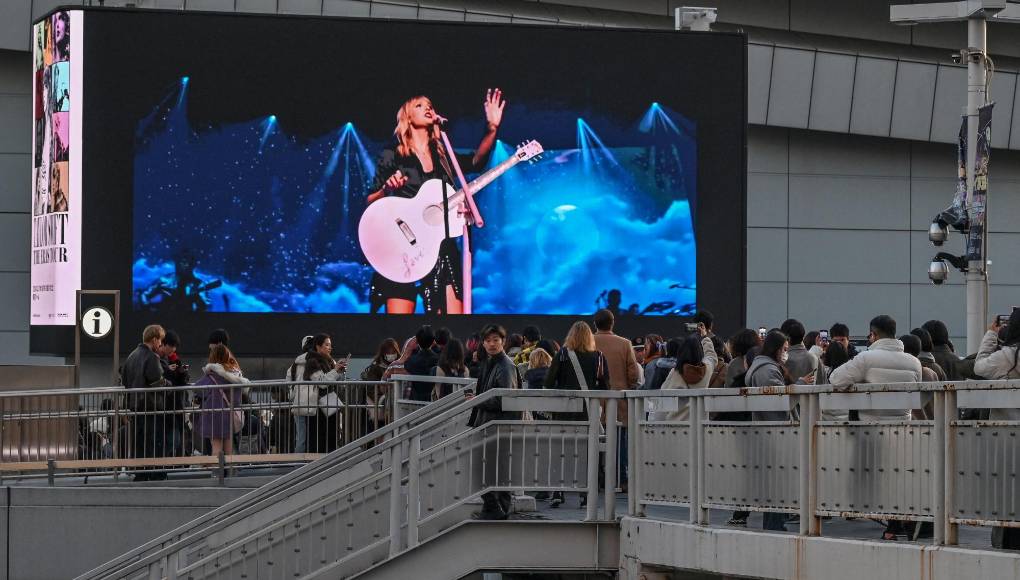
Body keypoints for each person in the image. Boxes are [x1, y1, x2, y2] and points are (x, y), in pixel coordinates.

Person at [366, 90, 504, 314]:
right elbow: (371, 199)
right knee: (399, 325)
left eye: (430, 105)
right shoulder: (392, 154)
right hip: (403, 245)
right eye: (419, 105)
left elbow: (476, 161)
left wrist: (492, 128)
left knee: (451, 325)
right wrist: (387, 188)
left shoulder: (443, 155)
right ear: (408, 116)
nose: (428, 108)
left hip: (441, 247)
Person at [745, 330, 816, 531]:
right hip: (776, 431)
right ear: (776, 349)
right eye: (784, 349)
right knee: (777, 482)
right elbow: (779, 399)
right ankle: (775, 524)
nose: (786, 353)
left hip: (768, 430)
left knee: (774, 481)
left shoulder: (760, 366)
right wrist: (800, 384)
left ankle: (775, 523)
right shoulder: (767, 370)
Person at [545, 321, 609, 507]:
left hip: (563, 412)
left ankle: (558, 492)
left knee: (560, 451)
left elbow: (548, 383)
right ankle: (586, 494)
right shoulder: (598, 357)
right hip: (587, 412)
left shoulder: (563, 355)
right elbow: (606, 386)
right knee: (587, 453)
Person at [973, 309, 1020, 549]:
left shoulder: (1008, 356)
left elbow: (979, 367)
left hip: (1007, 435)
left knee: (1008, 491)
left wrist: (991, 335)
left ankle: (1007, 540)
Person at [469, 324, 522, 520]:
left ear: (503, 342)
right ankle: (498, 508)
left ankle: (495, 508)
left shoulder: (505, 366)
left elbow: (504, 400)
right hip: (493, 424)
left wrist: (477, 401)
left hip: (497, 424)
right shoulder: (493, 362)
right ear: (483, 343)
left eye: (496, 340)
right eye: (488, 340)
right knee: (496, 468)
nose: (492, 344)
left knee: (487, 468)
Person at [829, 315, 922, 423]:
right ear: (894, 333)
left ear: (873, 335)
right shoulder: (915, 362)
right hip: (903, 426)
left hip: (869, 426)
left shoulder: (865, 358)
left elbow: (836, 379)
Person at [593, 309, 639, 489]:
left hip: (594, 402)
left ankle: (595, 478)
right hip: (619, 401)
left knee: (593, 441)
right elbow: (633, 374)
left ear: (595, 324)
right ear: (612, 323)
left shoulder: (587, 342)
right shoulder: (625, 344)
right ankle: (620, 479)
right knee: (619, 443)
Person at [121, 324, 171, 481]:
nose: (161, 344)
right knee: (155, 443)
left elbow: (125, 381)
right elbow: (158, 382)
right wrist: (169, 385)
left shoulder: (131, 356)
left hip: (135, 408)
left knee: (140, 443)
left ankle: (141, 473)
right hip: (151, 407)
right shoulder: (151, 357)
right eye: (160, 340)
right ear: (154, 339)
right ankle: (156, 474)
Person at [193, 344, 249, 459]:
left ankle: (217, 470)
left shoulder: (212, 375)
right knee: (229, 448)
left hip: (213, 416)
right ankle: (229, 469)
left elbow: (198, 389)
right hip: (229, 415)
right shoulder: (235, 375)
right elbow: (238, 398)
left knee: (216, 448)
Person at [657, 331, 717, 421]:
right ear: (700, 352)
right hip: (699, 426)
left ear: (681, 352)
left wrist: (656, 424)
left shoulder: (676, 373)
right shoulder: (707, 370)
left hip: (675, 426)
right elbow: (711, 357)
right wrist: (705, 338)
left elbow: (663, 402)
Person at [157, 330, 190, 458]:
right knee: (172, 439)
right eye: (171, 346)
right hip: (165, 405)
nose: (173, 349)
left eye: (175, 346)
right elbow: (160, 378)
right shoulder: (157, 359)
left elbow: (182, 380)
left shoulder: (173, 359)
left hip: (176, 404)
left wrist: (182, 372)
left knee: (177, 438)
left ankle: (176, 461)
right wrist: (168, 371)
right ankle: (165, 461)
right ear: (164, 344)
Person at [287, 335, 316, 453]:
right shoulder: (316, 361)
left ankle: (298, 462)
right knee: (314, 435)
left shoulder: (295, 364)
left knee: (301, 437)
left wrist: (293, 395)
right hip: (315, 403)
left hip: (298, 403)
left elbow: (289, 382)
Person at [781, 319, 826, 385]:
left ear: (786, 338)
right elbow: (824, 385)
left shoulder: (782, 360)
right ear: (803, 336)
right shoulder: (815, 358)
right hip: (812, 392)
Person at [406, 325, 440, 401]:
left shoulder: (411, 361)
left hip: (416, 402)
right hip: (434, 402)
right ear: (433, 341)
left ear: (417, 341)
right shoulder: (439, 360)